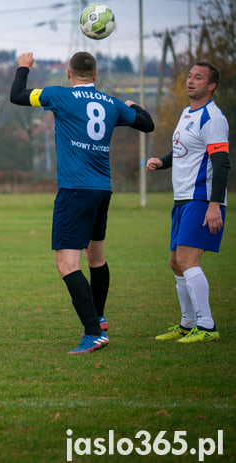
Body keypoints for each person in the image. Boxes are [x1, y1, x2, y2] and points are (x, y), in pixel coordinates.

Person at [10, 51, 154, 354]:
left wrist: (23, 67)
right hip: (102, 190)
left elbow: (17, 95)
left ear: (68, 73)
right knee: (96, 258)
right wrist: (131, 105)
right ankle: (98, 320)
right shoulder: (111, 104)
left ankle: (93, 332)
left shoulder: (59, 96)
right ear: (96, 76)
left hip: (75, 191)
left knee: (66, 264)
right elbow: (147, 123)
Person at [147, 60, 229, 344]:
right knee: (175, 262)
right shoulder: (186, 113)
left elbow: (221, 163)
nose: (191, 81)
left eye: (199, 78)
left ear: (211, 86)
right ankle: (188, 323)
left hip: (202, 199)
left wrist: (215, 204)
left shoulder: (212, 118)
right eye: (190, 76)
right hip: (182, 199)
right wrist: (162, 162)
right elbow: (183, 151)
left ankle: (207, 327)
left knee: (186, 259)